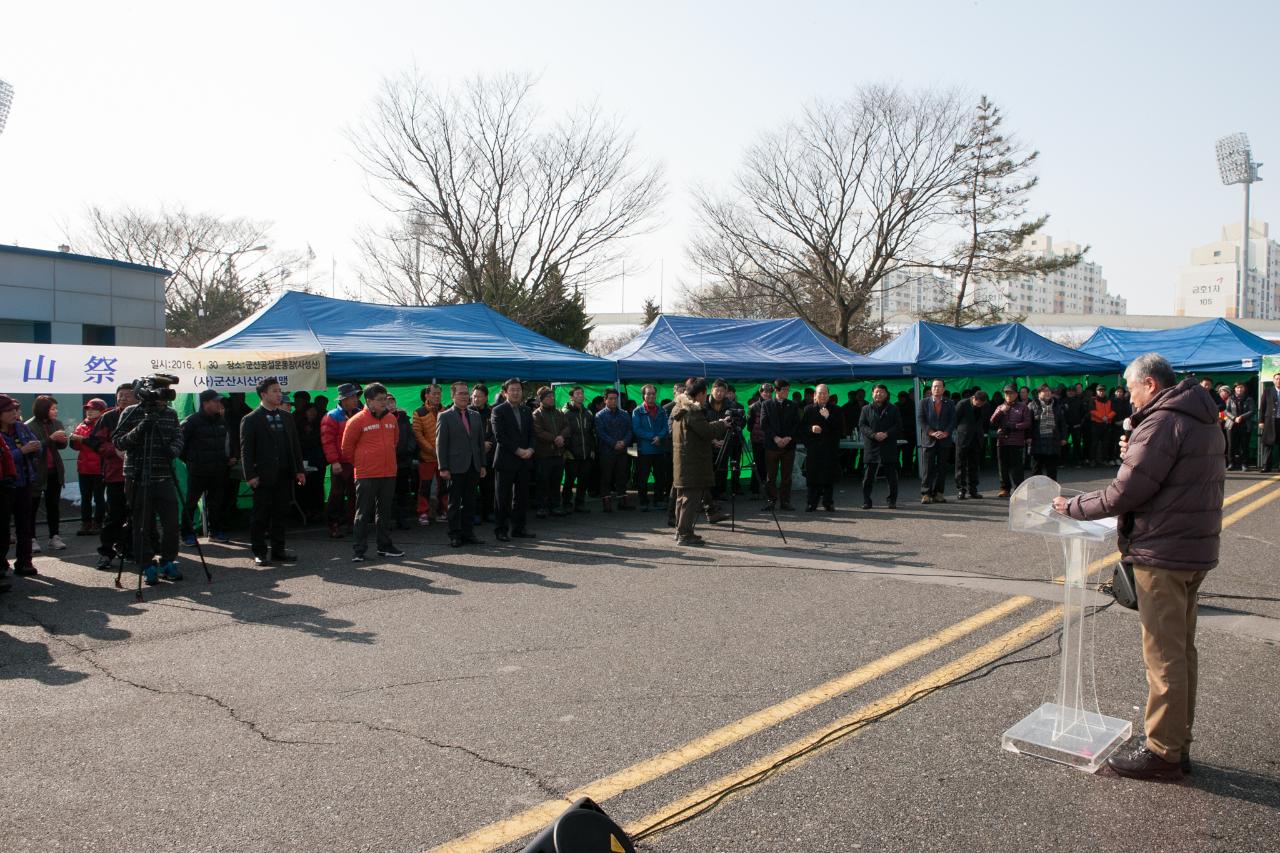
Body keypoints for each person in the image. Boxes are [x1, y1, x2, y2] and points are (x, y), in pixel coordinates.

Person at [1054, 354, 1223, 781]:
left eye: (1130, 389)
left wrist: (1072, 507)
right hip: (1190, 546)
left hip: (1162, 551)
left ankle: (1164, 754)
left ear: (1150, 384)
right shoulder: (1199, 415)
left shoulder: (1164, 420)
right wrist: (1137, 451)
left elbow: (1127, 490)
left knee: (1164, 657)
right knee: (1181, 651)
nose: (1127, 397)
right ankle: (1176, 743)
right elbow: (1169, 471)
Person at [113, 383, 184, 585]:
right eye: (161, 392)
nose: (164, 397)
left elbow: (179, 437)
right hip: (137, 477)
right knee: (141, 525)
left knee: (172, 524)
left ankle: (169, 561)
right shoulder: (131, 411)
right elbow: (119, 441)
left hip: (164, 476)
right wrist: (143, 426)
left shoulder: (170, 413)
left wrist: (173, 450)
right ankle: (146, 565)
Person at [240, 377, 307, 567]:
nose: (279, 394)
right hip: (263, 476)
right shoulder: (251, 419)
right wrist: (250, 475)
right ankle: (260, 552)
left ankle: (279, 550)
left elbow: (294, 446)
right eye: (275, 391)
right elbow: (246, 450)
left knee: (280, 514)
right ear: (263, 394)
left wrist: (299, 470)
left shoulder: (287, 417)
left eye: (279, 390)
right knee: (260, 515)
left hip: (284, 475)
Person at [340, 382, 404, 562]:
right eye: (380, 399)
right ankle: (359, 550)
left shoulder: (391, 419)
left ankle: (384, 546)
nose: (384, 402)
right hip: (366, 474)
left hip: (388, 472)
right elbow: (347, 449)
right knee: (363, 513)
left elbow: (395, 441)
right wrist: (362, 464)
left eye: (385, 399)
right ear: (369, 401)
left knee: (384, 512)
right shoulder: (356, 420)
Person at [671, 379, 730, 546]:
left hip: (682, 460)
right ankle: (685, 534)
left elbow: (698, 430)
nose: (707, 398)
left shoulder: (679, 408)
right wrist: (722, 424)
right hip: (693, 461)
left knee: (681, 498)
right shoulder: (693, 411)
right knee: (690, 499)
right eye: (706, 394)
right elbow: (706, 432)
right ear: (700, 394)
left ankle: (680, 531)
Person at [437, 380, 487, 547]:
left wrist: (482, 465)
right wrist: (443, 467)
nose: (465, 396)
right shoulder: (445, 416)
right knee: (454, 503)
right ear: (452, 395)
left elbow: (480, 443)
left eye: (466, 393)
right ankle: (454, 534)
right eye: (461, 393)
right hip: (455, 466)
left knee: (470, 502)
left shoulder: (475, 415)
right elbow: (441, 444)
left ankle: (468, 533)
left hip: (473, 465)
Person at [178, 389, 231, 546]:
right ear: (205, 403)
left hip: (218, 470)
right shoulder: (190, 422)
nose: (218, 404)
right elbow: (180, 446)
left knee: (216, 503)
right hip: (198, 471)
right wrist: (192, 461)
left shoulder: (221, 421)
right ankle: (186, 534)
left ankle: (215, 532)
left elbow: (227, 443)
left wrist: (229, 457)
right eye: (215, 401)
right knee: (191, 503)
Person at [90, 384, 134, 570]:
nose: (122, 398)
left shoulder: (141, 415)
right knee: (114, 516)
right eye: (120, 395)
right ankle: (106, 553)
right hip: (115, 475)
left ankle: (130, 549)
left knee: (136, 516)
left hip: (137, 474)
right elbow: (94, 442)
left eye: (127, 395)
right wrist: (114, 450)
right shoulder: (108, 417)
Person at [0, 394, 40, 581]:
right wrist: (22, 451)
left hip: (24, 482)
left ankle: (25, 562)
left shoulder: (21, 428)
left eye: (15, 410)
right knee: (3, 528)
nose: (13, 413)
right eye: (8, 410)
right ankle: (2, 565)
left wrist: (35, 446)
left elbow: (37, 446)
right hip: (5, 485)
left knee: (25, 526)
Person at [491, 379, 536, 542]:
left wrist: (530, 449)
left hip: (525, 460)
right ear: (505, 392)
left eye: (518, 390)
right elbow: (500, 436)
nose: (516, 392)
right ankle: (501, 529)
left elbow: (532, 433)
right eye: (512, 390)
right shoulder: (498, 410)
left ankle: (519, 528)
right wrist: (518, 450)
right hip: (506, 460)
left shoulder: (526, 410)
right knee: (502, 497)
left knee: (522, 496)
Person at [25, 395, 69, 552]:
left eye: (56, 408)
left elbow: (61, 447)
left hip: (54, 469)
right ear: (43, 410)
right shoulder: (28, 426)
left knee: (53, 505)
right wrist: (50, 438)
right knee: (33, 506)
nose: (55, 411)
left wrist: (63, 440)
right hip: (37, 471)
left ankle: (54, 536)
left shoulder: (57, 423)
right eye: (52, 409)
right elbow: (34, 448)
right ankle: (31, 538)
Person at [322, 383, 362, 537]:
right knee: (336, 495)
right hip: (340, 463)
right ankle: (334, 525)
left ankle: (353, 523)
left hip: (357, 462)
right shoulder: (331, 416)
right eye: (352, 397)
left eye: (356, 396)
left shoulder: (360, 413)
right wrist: (334, 461)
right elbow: (328, 441)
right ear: (343, 399)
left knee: (355, 494)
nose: (356, 399)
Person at [70, 398, 109, 535]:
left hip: (99, 467)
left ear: (102, 411)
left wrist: (81, 440)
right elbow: (76, 447)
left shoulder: (104, 425)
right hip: (84, 467)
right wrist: (72, 440)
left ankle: (98, 522)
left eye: (94, 409)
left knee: (99, 497)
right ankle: (85, 523)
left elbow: (98, 445)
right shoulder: (82, 425)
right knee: (85, 497)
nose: (89, 411)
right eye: (88, 409)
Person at [800, 384, 842, 512]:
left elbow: (840, 429)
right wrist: (811, 429)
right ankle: (811, 503)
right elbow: (801, 429)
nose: (823, 396)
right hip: (814, 449)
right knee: (812, 477)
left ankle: (828, 502)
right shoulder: (808, 409)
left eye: (825, 393)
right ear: (815, 395)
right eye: (820, 393)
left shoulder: (836, 409)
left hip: (830, 449)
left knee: (828, 477)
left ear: (829, 395)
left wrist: (828, 417)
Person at [859, 384, 902, 509]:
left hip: (888, 445)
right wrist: (873, 434)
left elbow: (898, 425)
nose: (879, 394)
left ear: (886, 394)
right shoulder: (866, 409)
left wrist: (887, 434)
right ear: (872, 394)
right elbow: (862, 425)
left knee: (891, 477)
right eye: (877, 392)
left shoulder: (893, 408)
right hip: (872, 446)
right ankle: (866, 501)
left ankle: (892, 500)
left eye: (882, 392)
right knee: (868, 477)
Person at [630, 384, 670, 513]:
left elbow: (666, 426)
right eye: (648, 394)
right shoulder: (637, 411)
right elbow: (636, 429)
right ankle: (643, 501)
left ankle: (658, 500)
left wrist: (660, 437)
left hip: (659, 449)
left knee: (660, 477)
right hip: (644, 450)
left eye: (653, 393)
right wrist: (653, 437)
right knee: (642, 477)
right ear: (643, 395)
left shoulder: (661, 410)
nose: (651, 396)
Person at [531, 386, 570, 519]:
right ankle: (541, 507)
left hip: (558, 454)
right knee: (542, 481)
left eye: (552, 396)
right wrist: (555, 438)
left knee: (556, 481)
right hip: (543, 455)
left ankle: (555, 506)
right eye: (548, 397)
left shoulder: (559, 413)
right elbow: (538, 432)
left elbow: (567, 427)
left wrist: (562, 437)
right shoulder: (537, 414)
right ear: (541, 399)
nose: (552, 398)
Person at [762, 379, 801, 511]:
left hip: (788, 446)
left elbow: (796, 423)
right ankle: (771, 501)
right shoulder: (766, 405)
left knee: (786, 476)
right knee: (770, 476)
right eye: (784, 390)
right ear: (776, 390)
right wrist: (776, 438)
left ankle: (785, 501)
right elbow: (764, 424)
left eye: (788, 390)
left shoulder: (793, 405)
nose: (786, 392)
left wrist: (788, 437)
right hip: (772, 446)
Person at [917, 379, 956, 504]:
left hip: (944, 440)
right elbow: (921, 420)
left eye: (939, 387)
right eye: (934, 386)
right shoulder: (923, 402)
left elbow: (953, 420)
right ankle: (926, 494)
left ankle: (939, 493)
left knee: (942, 468)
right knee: (927, 468)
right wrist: (931, 432)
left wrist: (946, 432)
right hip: (929, 439)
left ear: (943, 389)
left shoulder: (950, 403)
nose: (936, 389)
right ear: (931, 389)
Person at [413, 384, 448, 524]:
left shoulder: (446, 411)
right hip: (426, 457)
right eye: (434, 393)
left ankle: (444, 511)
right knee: (424, 486)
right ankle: (423, 513)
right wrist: (432, 450)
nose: (437, 396)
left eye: (439, 393)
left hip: (444, 458)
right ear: (427, 395)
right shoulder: (418, 412)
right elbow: (418, 435)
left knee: (444, 486)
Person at [989, 384, 1032, 498]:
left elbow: (1027, 422)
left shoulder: (1023, 407)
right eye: (1006, 393)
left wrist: (1015, 426)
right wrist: (1001, 411)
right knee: (1002, 466)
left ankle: (1019, 489)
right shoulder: (1000, 407)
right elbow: (992, 421)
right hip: (1002, 441)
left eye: (1011, 393)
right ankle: (1005, 488)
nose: (1008, 395)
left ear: (1016, 394)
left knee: (1017, 467)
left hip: (1016, 441)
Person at [595, 388, 633, 512]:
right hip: (607, 451)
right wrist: (613, 443)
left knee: (622, 475)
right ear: (605, 400)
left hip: (622, 450)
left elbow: (630, 430)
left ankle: (623, 501)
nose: (613, 401)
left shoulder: (624, 414)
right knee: (606, 477)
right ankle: (606, 502)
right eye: (610, 399)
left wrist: (624, 442)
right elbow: (601, 433)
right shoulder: (599, 415)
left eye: (615, 399)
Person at [386, 394, 418, 530]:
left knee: (403, 492)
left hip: (404, 462)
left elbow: (412, 437)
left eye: (392, 401)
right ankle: (386, 521)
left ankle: (402, 519)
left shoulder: (404, 418)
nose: (390, 404)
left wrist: (408, 451)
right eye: (387, 402)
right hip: (387, 462)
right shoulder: (381, 418)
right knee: (387, 493)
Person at [561, 386, 595, 514]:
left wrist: (592, 449)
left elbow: (591, 433)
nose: (580, 395)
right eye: (577, 393)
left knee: (583, 479)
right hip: (571, 453)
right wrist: (566, 450)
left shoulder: (588, 413)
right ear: (571, 397)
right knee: (569, 480)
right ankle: (566, 503)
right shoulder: (565, 413)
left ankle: (580, 503)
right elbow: (564, 433)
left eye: (582, 393)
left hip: (586, 452)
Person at [1027, 384, 1067, 481]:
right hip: (1037, 441)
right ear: (1039, 394)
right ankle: (1036, 490)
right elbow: (1028, 424)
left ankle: (1052, 491)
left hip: (1053, 440)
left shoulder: (1057, 405)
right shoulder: (1032, 405)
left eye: (1049, 391)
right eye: (1044, 391)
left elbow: (1062, 423)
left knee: (1052, 469)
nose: (1048, 393)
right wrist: (1028, 437)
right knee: (1036, 469)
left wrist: (1064, 437)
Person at [953, 389, 987, 500]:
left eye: (982, 404)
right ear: (974, 398)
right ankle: (961, 490)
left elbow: (984, 420)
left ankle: (973, 490)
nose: (980, 405)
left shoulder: (985, 406)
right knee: (960, 465)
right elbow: (955, 420)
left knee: (974, 465)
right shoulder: (962, 404)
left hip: (976, 439)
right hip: (963, 438)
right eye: (979, 403)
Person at [296, 403, 327, 520]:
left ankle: (318, 510)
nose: (312, 413)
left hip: (318, 460)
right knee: (303, 485)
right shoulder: (299, 425)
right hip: (303, 460)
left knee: (318, 485)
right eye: (310, 411)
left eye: (314, 411)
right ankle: (304, 510)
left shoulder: (321, 424)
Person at [746, 382, 774, 498]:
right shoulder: (753, 407)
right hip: (757, 440)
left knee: (769, 465)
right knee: (757, 465)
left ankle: (768, 490)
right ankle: (755, 489)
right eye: (764, 391)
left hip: (771, 440)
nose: (767, 394)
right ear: (760, 392)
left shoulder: (774, 405)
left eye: (769, 392)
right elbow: (749, 426)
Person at [1225, 382, 1256, 471]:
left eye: (1241, 387)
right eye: (1237, 387)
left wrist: (1241, 417)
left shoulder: (1249, 399)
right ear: (1234, 389)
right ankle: (1231, 463)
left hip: (1245, 424)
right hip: (1232, 424)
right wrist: (1234, 418)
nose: (1239, 389)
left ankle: (1244, 464)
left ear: (1244, 389)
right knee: (1231, 445)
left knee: (1244, 445)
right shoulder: (1230, 398)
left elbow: (1252, 411)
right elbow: (1227, 411)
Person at [1087, 385, 1115, 466]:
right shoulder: (1093, 400)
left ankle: (1104, 460)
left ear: (1105, 391)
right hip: (1096, 424)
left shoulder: (1109, 400)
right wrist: (1102, 417)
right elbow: (1092, 410)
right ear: (1096, 391)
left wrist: (1108, 417)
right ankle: (1092, 460)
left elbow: (1114, 411)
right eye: (1099, 390)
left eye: (1103, 390)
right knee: (1094, 443)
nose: (1101, 392)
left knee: (1106, 443)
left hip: (1106, 424)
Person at [1260, 372, 1280, 473]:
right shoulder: (1267, 391)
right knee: (1268, 444)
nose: (1278, 380)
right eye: (1276, 378)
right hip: (1270, 422)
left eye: (1279, 378)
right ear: (1273, 380)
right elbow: (1262, 407)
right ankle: (1266, 466)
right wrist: (1261, 421)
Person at [1063, 385, 1086, 468]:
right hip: (1065, 426)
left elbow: (1084, 413)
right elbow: (1060, 414)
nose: (1070, 392)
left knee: (1077, 444)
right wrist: (1063, 424)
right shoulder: (1063, 401)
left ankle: (1077, 462)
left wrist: (1080, 423)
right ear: (1066, 392)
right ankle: (1064, 462)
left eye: (1072, 391)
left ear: (1075, 392)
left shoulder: (1079, 401)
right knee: (1064, 444)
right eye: (1069, 391)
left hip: (1076, 426)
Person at [895, 390, 917, 476]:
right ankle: (901, 469)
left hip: (909, 433)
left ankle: (906, 469)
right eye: (900, 398)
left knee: (907, 453)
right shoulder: (897, 405)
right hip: (901, 433)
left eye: (902, 398)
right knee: (900, 452)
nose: (901, 399)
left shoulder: (912, 405)